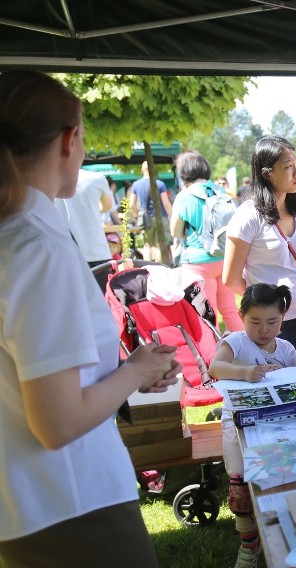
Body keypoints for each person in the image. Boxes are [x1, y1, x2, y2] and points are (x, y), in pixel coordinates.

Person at [0, 69, 180, 568]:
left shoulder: (20, 235)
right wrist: (136, 372)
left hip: (36, 505)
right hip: (71, 506)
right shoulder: (36, 247)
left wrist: (128, 372)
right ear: (69, 139)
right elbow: (56, 423)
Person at [208, 283, 296, 568]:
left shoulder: (286, 349)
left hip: (275, 427)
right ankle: (249, 547)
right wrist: (245, 373)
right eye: (255, 322)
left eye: (272, 322)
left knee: (278, 480)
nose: (263, 330)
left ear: (283, 317)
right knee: (241, 485)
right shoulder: (235, 342)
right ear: (241, 316)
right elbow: (215, 367)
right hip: (238, 427)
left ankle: (280, 534)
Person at [224, 136, 296, 364]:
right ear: (267, 173)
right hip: (276, 323)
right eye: (288, 167)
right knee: (280, 386)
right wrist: (266, 307)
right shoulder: (248, 216)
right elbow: (230, 278)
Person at [170, 150, 243, 331]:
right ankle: (246, 352)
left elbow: (176, 232)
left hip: (197, 263)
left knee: (206, 314)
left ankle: (213, 356)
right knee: (230, 310)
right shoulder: (220, 191)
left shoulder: (184, 197)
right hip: (224, 257)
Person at [55, 168, 115, 292]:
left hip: (64, 253)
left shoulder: (48, 178)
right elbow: (107, 206)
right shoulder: (97, 178)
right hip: (97, 251)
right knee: (105, 302)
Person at [128, 160, 171, 260]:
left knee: (147, 246)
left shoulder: (136, 184)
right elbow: (166, 203)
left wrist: (138, 214)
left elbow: (131, 204)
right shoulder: (160, 184)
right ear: (153, 170)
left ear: (142, 170)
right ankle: (159, 270)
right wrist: (171, 216)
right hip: (161, 217)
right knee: (159, 246)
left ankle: (148, 271)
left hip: (145, 219)